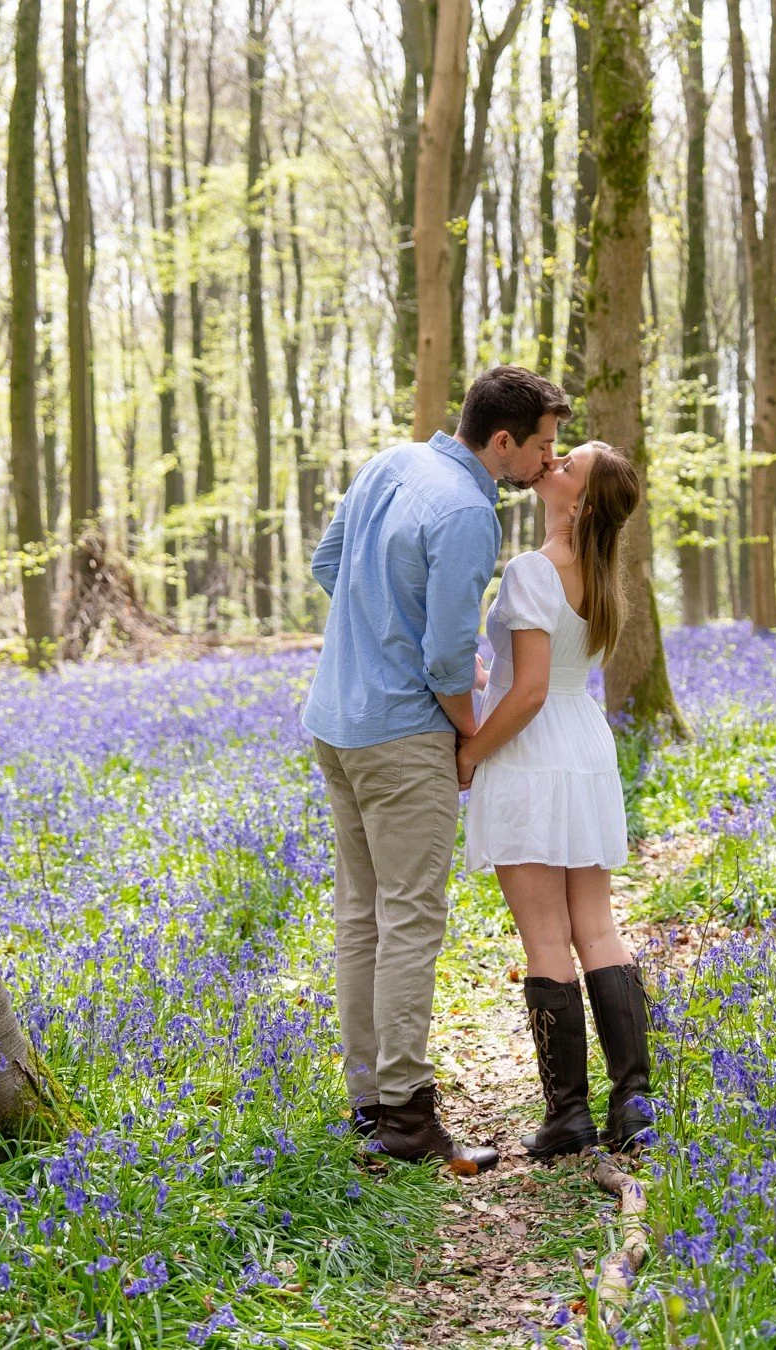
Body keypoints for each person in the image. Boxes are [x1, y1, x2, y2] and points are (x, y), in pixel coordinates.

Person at [304, 366, 572, 1170]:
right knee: (411, 919)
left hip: (335, 719)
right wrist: (466, 735)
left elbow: (328, 564)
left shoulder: (390, 461)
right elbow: (450, 656)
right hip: (400, 736)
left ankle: (370, 1104)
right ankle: (410, 1122)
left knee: (363, 918)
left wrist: (377, 627)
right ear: (502, 442)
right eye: (543, 447)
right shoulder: (468, 513)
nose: (546, 463)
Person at [459, 441, 651, 1158]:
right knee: (597, 927)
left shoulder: (535, 570)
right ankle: (634, 1104)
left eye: (568, 465)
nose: (553, 465)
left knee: (546, 938)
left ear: (583, 504)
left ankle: (567, 1115)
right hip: (585, 748)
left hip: (533, 753)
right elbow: (541, 675)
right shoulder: (601, 578)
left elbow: (530, 690)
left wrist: (473, 751)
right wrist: (491, 671)